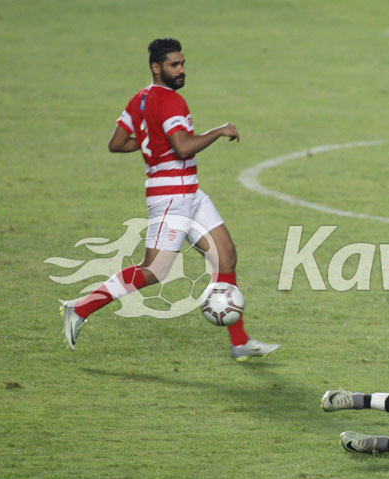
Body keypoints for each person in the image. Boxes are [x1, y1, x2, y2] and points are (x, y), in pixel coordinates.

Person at [61, 38, 279, 361]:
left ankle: (240, 342)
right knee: (154, 270)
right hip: (170, 199)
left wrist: (152, 142)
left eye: (182, 63)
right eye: (174, 65)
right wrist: (219, 131)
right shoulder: (172, 101)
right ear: (156, 67)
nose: (181, 70)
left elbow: (117, 143)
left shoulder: (139, 100)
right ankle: (79, 308)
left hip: (190, 193)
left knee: (226, 257)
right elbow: (183, 147)